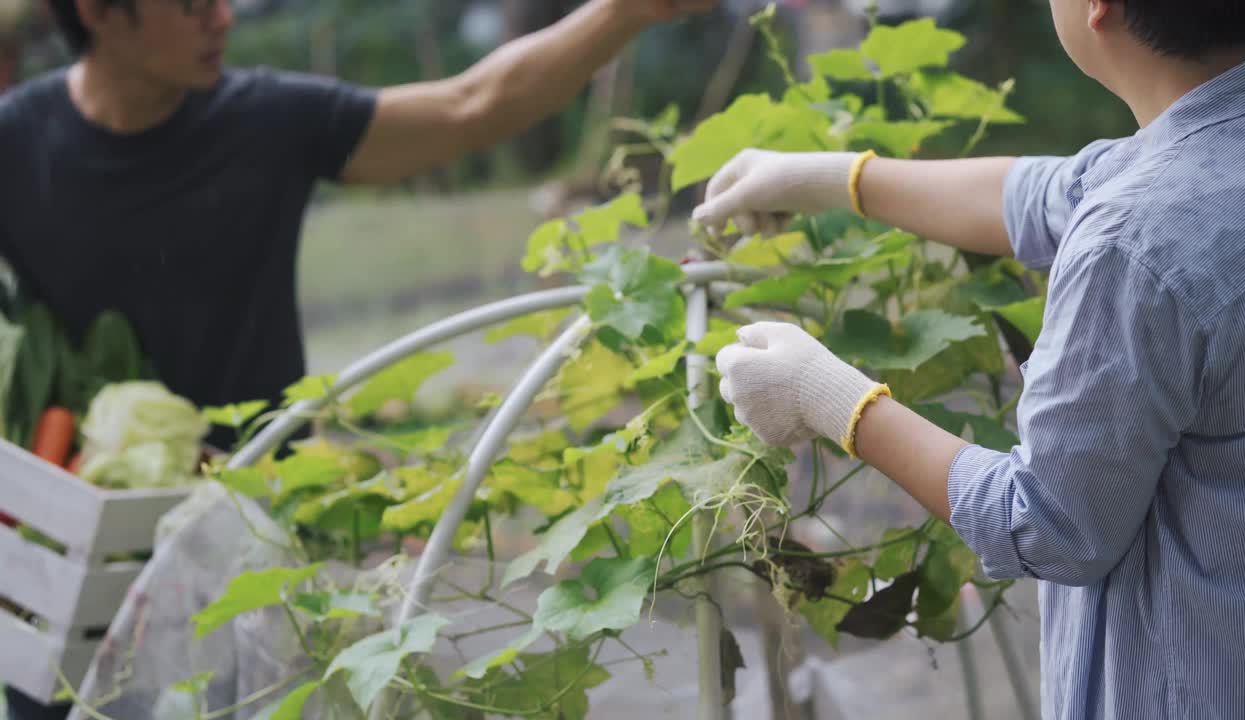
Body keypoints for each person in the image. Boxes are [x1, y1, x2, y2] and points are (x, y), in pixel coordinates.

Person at [0, 0, 717, 717]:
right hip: (56, 564)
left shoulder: (265, 121)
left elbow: (475, 103)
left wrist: (627, 11)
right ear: (96, 11)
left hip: (250, 559)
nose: (222, 19)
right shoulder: (15, 142)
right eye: (192, 4)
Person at [694, 1, 1245, 718]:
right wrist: (834, 178)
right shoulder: (1239, 134)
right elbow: (1048, 193)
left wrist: (831, 397)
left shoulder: (1135, 243)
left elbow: (1047, 523)